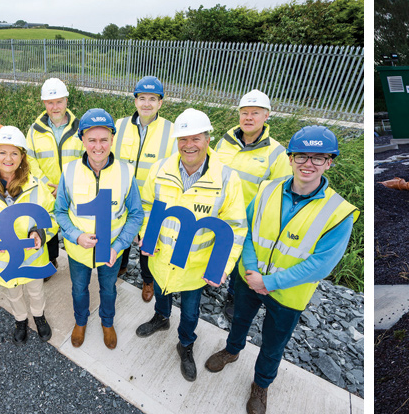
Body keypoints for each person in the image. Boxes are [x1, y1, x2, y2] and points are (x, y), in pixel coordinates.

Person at [203, 125, 359, 414]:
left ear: (329, 162)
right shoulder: (267, 188)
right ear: (290, 158)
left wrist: (270, 282)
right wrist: (251, 271)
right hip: (249, 279)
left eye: (318, 158)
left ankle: (261, 385)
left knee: (274, 344)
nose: (308, 164)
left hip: (288, 294)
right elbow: (246, 230)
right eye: (301, 156)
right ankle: (232, 351)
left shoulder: (339, 211)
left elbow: (320, 264)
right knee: (239, 320)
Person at [134, 108, 247, 382]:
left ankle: (185, 345)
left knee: (190, 311)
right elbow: (146, 205)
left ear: (208, 140)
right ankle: (161, 318)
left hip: (194, 267)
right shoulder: (161, 169)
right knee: (161, 293)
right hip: (160, 256)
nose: (188, 145)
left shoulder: (226, 179)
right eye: (183, 139)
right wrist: (144, 233)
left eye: (195, 138)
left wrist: (223, 265)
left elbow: (235, 228)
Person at [53, 108, 144, 350]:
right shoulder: (70, 171)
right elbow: (60, 211)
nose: (98, 146)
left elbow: (136, 214)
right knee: (79, 289)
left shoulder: (125, 172)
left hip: (110, 253)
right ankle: (80, 321)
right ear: (82, 139)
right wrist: (75, 236)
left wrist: (119, 245)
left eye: (104, 139)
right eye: (91, 140)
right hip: (78, 251)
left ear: (112, 139)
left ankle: (107, 322)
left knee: (108, 289)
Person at [0, 126, 58, 344]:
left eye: (15, 153)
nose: (9, 158)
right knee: (13, 294)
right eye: (3, 152)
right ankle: (21, 320)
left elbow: (53, 215)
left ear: (22, 157)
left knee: (36, 292)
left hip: (33, 259)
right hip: (3, 261)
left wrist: (40, 232)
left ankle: (39, 316)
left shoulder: (37, 187)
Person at [212, 89, 291, 321]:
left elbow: (278, 193)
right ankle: (209, 278)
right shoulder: (224, 141)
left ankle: (235, 296)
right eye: (244, 112)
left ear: (267, 116)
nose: (248, 117)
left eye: (255, 113)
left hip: (248, 219)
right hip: (219, 211)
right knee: (214, 248)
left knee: (240, 261)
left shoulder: (276, 153)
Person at [114, 75, 178, 301]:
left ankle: (147, 280)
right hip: (124, 197)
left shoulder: (171, 131)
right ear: (135, 101)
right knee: (121, 233)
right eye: (142, 98)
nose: (147, 103)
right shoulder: (120, 125)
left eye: (153, 98)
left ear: (160, 103)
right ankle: (120, 268)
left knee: (147, 244)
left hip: (154, 202)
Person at [25, 77, 81, 275]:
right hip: (45, 190)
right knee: (47, 225)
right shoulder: (34, 130)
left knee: (74, 224)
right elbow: (30, 161)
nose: (55, 107)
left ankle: (77, 262)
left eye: (59, 101)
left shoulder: (80, 128)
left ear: (67, 101)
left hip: (73, 190)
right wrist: (48, 185)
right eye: (50, 102)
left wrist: (66, 186)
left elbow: (85, 160)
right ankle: (52, 260)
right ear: (44, 104)